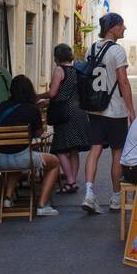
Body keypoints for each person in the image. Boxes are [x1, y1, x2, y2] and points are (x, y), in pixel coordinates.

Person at [82, 13, 135, 215]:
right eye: (121, 25)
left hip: (94, 108)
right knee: (117, 152)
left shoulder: (92, 48)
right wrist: (130, 109)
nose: (124, 28)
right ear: (112, 28)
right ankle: (115, 197)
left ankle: (88, 193)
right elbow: (123, 81)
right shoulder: (117, 51)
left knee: (95, 150)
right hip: (115, 111)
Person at [0, 74, 61, 216]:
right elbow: (39, 134)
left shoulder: (2, 106)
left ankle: (7, 198)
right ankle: (42, 205)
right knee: (55, 163)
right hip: (22, 157)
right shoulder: (32, 109)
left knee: (16, 157)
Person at [44, 43, 89, 193]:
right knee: (74, 149)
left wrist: (40, 96)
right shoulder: (77, 70)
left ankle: (69, 180)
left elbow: (53, 93)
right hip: (80, 111)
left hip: (65, 112)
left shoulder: (59, 70)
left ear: (57, 57)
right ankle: (72, 181)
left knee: (60, 148)